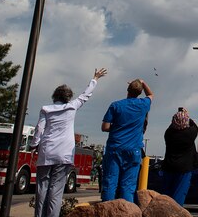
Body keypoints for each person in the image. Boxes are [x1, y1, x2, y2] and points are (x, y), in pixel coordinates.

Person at [31, 68, 107, 217]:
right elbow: (86, 95)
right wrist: (95, 79)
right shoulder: (72, 106)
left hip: (47, 151)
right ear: (68, 97)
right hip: (64, 153)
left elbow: (39, 128)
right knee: (56, 190)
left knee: (42, 188)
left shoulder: (45, 109)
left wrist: (34, 144)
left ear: (55, 96)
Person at [100, 78, 153, 203]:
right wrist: (143, 82)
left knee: (110, 183)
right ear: (140, 92)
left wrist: (118, 127)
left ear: (127, 90)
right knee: (128, 187)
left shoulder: (116, 105)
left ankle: (108, 211)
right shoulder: (143, 105)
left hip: (115, 148)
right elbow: (150, 95)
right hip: (133, 150)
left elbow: (105, 127)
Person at [161, 107, 198, 206]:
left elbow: (170, 127)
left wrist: (177, 117)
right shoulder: (190, 134)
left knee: (166, 195)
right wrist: (187, 115)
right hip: (184, 169)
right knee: (179, 195)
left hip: (168, 167)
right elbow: (195, 126)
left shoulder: (168, 134)